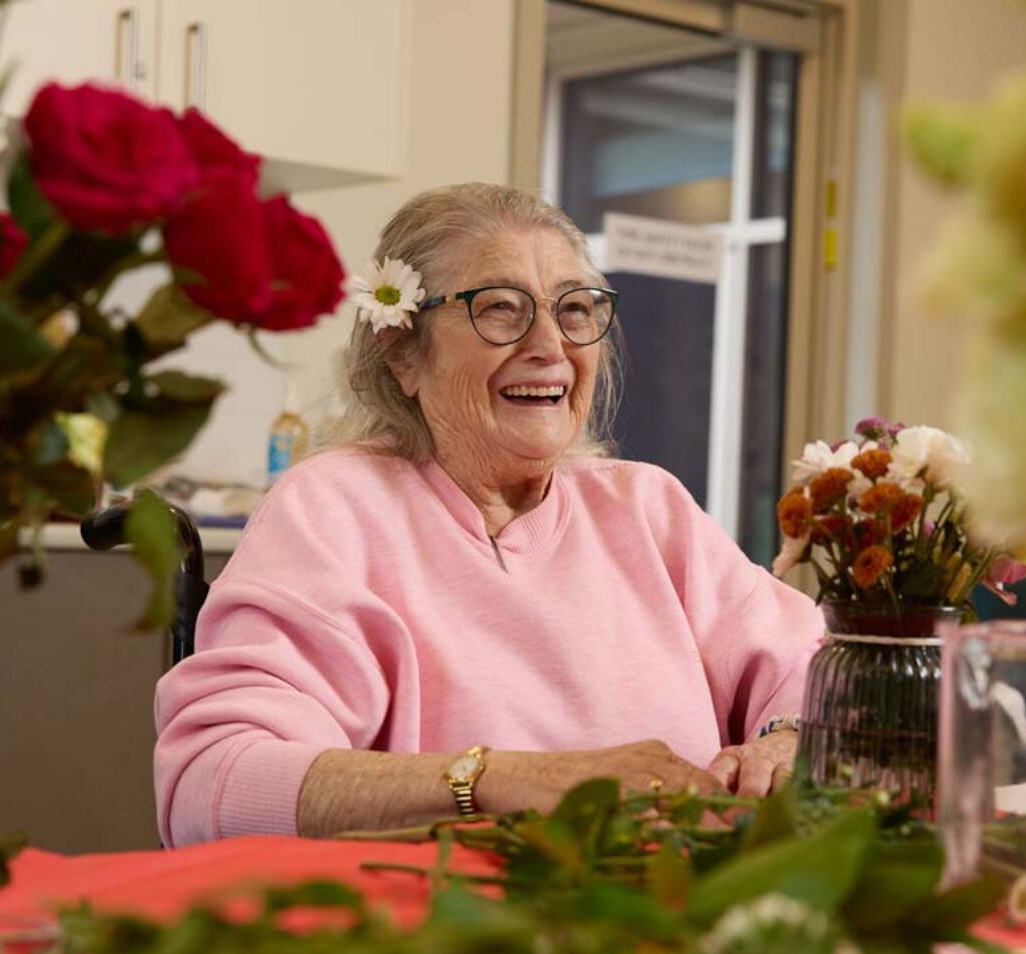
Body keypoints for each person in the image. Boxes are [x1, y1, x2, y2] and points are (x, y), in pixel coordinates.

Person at [154, 183, 825, 845]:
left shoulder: (646, 508)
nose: (548, 345)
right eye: (501, 310)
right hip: (442, 933)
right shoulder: (335, 509)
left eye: (574, 309)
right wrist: (494, 782)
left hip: (671, 920)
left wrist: (785, 737)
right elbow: (211, 786)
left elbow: (814, 668)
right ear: (402, 353)